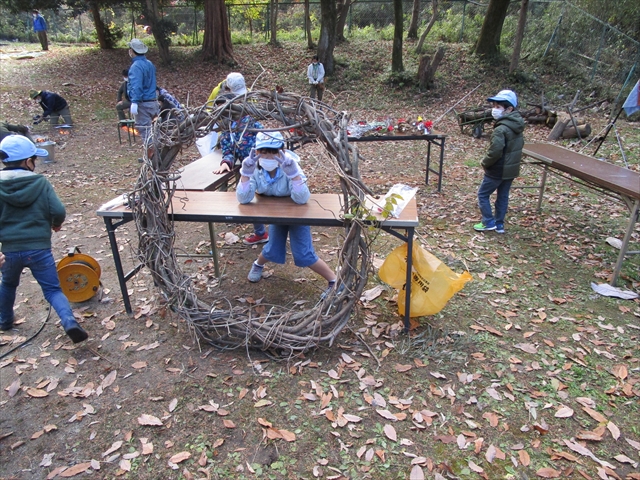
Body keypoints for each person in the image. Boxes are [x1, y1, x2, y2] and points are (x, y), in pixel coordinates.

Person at [0, 135, 88, 343]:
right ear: (27, 162)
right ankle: (69, 322)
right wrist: (56, 223)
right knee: (52, 289)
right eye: (34, 160)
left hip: (9, 251)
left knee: (8, 284)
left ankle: (4, 322)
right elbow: (58, 209)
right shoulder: (40, 182)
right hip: (39, 249)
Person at [237, 132, 338, 295]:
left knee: (304, 254)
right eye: (264, 151)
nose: (269, 156)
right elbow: (243, 199)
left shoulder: (291, 165)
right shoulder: (254, 167)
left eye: (274, 151)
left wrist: (293, 175)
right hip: (275, 214)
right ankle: (258, 264)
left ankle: (334, 280)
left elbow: (302, 198)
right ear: (256, 152)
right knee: (272, 249)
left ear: (282, 151)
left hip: (297, 214)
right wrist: (245, 175)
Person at [213, 73, 267, 245]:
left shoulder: (251, 122)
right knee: (248, 197)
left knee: (268, 199)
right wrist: (226, 162)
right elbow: (228, 149)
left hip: (262, 165)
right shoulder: (228, 127)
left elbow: (266, 140)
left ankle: (277, 231)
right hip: (247, 168)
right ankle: (261, 233)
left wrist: (264, 159)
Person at [474, 89, 525, 234]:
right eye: (494, 106)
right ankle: (499, 224)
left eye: (498, 107)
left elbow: (495, 151)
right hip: (510, 170)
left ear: (509, 109)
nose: (494, 110)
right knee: (503, 196)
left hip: (497, 169)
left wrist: (485, 163)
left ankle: (488, 221)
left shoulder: (501, 129)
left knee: (483, 194)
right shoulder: (518, 126)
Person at [127, 38, 159, 150]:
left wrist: (134, 102)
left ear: (132, 51)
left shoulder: (136, 66)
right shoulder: (149, 64)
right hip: (153, 102)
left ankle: (153, 159)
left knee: (146, 132)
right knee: (156, 131)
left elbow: (137, 86)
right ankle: (158, 155)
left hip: (143, 103)